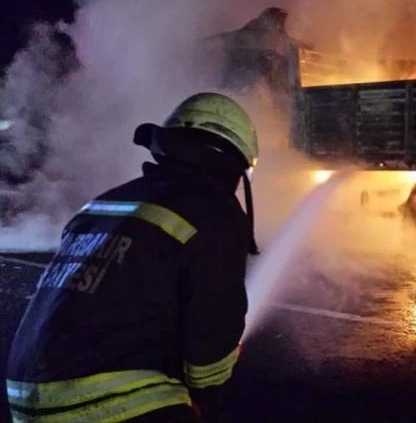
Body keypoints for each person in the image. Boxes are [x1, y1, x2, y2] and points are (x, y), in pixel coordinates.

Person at [5, 92, 259, 422]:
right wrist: (206, 390)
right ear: (235, 167)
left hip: (25, 397)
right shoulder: (214, 210)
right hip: (109, 398)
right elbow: (209, 353)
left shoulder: (103, 205)